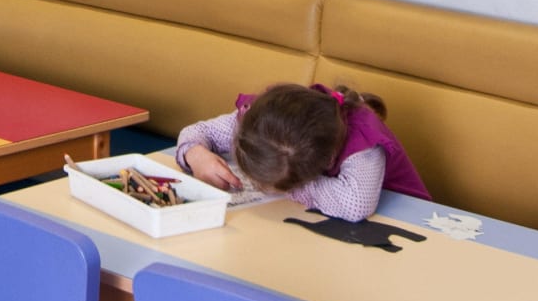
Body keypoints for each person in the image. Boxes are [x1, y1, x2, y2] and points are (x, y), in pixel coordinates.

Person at [174, 82, 430, 222]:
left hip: (410, 225)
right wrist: (195, 154)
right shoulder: (267, 119)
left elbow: (356, 205)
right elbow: (199, 131)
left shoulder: (363, 143)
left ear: (322, 164)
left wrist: (288, 189)